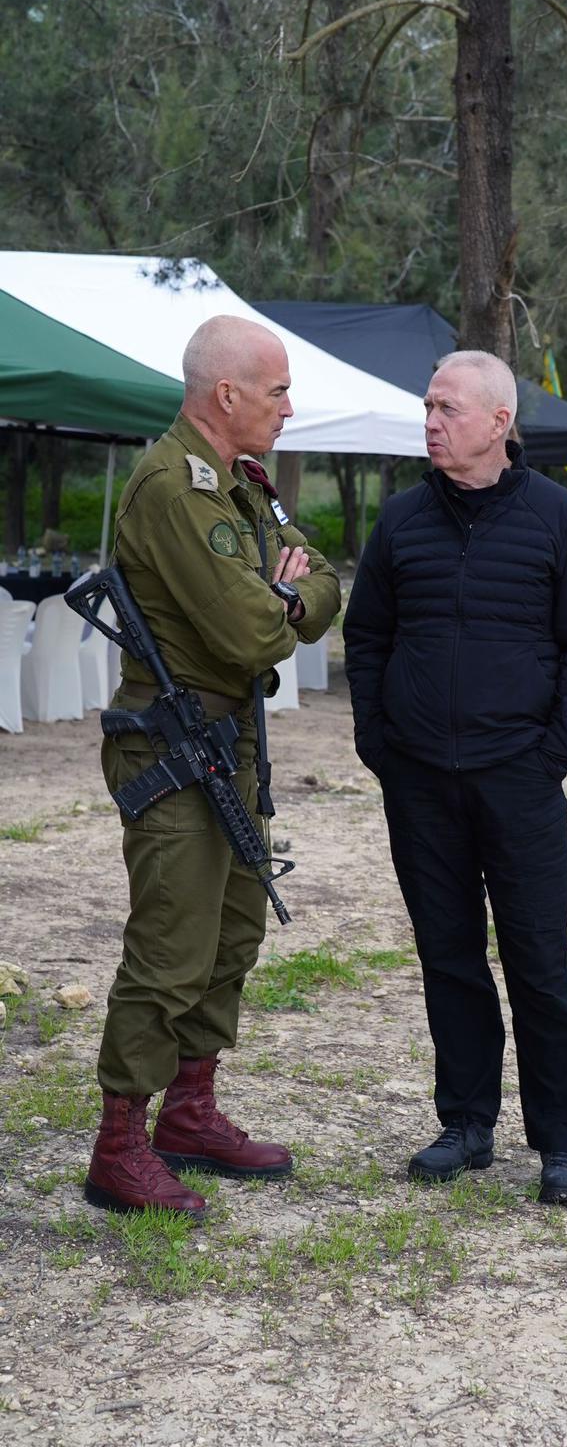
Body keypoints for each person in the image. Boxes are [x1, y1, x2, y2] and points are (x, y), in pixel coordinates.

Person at [343, 350, 567, 1206]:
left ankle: (561, 1143)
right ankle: (466, 1125)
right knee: (449, 957)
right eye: (427, 405)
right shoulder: (400, 523)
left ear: (498, 423)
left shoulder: (562, 521)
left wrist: (552, 757)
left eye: (447, 408)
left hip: (519, 783)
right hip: (420, 782)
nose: (430, 421)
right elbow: (367, 639)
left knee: (538, 961)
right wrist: (380, 744)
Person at [84, 315, 340, 1219]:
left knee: (231, 933)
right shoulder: (176, 488)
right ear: (224, 395)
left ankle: (188, 1115)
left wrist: (292, 594)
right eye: (276, 391)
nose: (288, 407)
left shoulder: (239, 486)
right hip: (174, 744)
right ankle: (120, 1146)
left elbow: (323, 584)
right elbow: (255, 632)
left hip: (225, 741)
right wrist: (286, 599)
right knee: (170, 947)